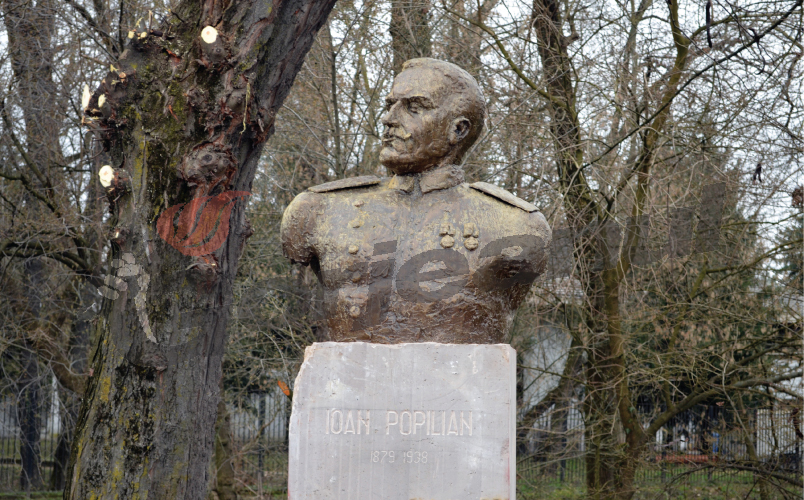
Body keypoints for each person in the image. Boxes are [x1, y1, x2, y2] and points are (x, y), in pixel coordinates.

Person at [281, 58, 551, 344]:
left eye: (414, 107)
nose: (389, 119)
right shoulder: (318, 210)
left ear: (458, 130)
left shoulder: (517, 225)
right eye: (390, 105)